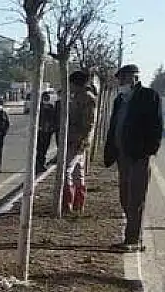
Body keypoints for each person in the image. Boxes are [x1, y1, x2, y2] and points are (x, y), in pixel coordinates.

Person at [103, 64, 164, 252]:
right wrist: (110, 151)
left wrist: (149, 150)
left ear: (134, 78)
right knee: (124, 196)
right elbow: (114, 126)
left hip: (139, 156)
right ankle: (132, 233)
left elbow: (156, 125)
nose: (120, 83)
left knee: (135, 199)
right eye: (119, 79)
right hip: (122, 156)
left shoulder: (148, 96)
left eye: (124, 79)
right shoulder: (120, 100)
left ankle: (132, 240)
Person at [62, 70, 98, 214]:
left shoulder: (86, 98)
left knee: (67, 170)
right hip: (76, 139)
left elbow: (88, 123)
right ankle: (77, 204)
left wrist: (81, 140)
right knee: (77, 172)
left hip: (77, 140)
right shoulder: (78, 96)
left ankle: (68, 203)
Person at [35, 92, 58, 171]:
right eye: (44, 98)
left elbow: (54, 118)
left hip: (48, 132)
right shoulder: (38, 107)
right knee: (39, 149)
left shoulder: (51, 107)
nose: (46, 100)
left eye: (47, 98)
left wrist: (52, 128)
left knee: (45, 149)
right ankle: (38, 165)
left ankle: (42, 164)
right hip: (39, 131)